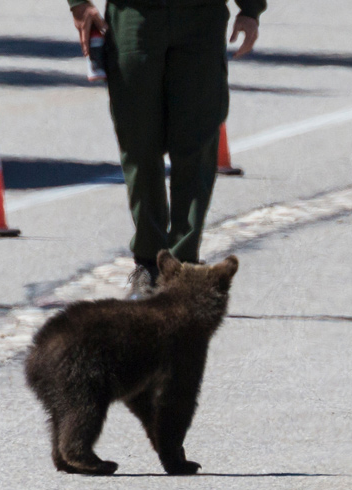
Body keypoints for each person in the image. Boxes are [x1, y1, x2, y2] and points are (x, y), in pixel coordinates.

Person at [69, 0, 264, 298]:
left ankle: (183, 265)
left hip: (202, 18)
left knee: (197, 144)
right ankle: (149, 262)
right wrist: (79, 4)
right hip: (135, 16)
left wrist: (251, 9)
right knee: (139, 144)